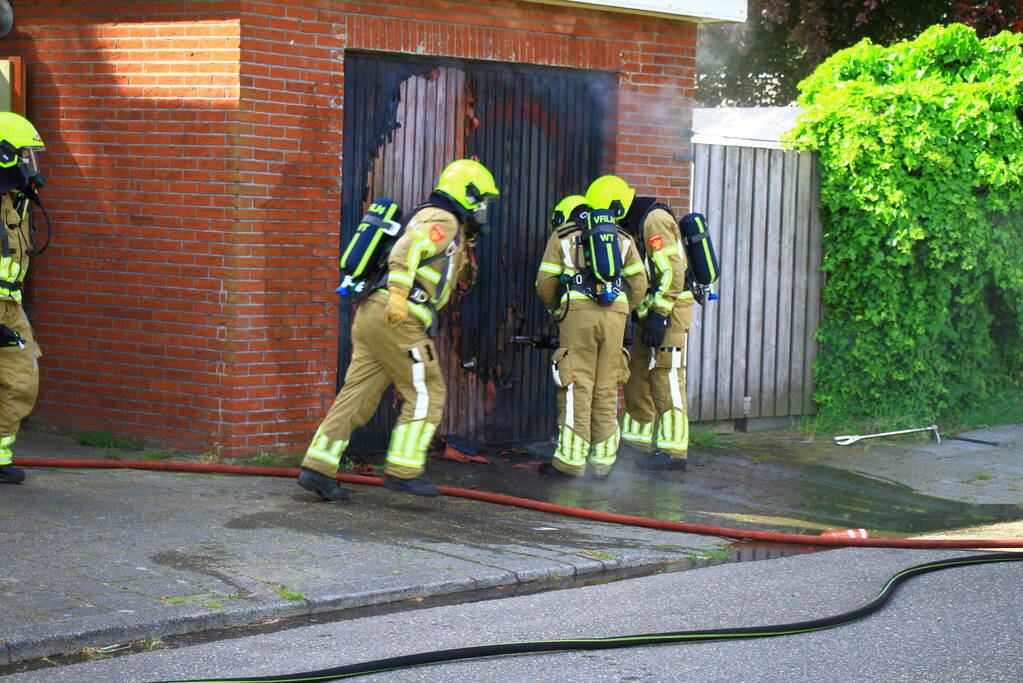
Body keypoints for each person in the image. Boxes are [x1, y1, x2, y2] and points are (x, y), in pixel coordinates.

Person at [298, 159, 499, 500]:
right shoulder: (443, 219)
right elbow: (408, 250)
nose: (483, 208)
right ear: (466, 193)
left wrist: (466, 257)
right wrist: (399, 296)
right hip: (397, 316)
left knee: (357, 395)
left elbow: (448, 271)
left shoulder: (442, 222)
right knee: (427, 389)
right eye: (480, 199)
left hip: (372, 316)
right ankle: (404, 469)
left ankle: (317, 466)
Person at [586, 175, 694, 471]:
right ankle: (637, 444)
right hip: (649, 311)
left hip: (669, 310)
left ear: (617, 206)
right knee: (637, 376)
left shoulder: (654, 220)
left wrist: (659, 315)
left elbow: (672, 273)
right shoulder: (635, 223)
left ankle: (674, 452)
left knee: (666, 376)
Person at [534, 194, 647, 479]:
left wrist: (557, 311)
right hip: (617, 312)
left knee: (577, 382)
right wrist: (624, 311)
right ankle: (604, 463)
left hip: (579, 312)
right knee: (607, 384)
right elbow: (640, 282)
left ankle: (571, 461)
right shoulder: (623, 237)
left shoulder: (563, 236)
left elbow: (545, 282)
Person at [0, 112, 46, 485]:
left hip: (10, 307)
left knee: (20, 380)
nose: (33, 166)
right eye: (26, 156)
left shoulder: (16, 202)